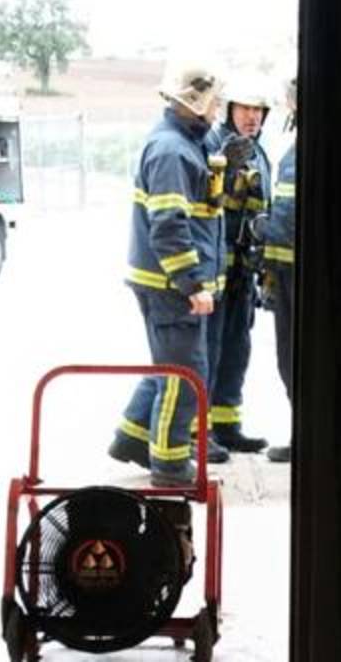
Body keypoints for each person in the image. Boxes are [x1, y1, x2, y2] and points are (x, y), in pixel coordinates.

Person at [107, 63, 234, 486]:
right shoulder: (172, 152)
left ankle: (132, 436)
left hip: (166, 283)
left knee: (169, 364)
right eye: (214, 103)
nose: (218, 111)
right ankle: (170, 464)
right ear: (195, 104)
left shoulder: (184, 144)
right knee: (186, 373)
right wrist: (192, 283)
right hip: (171, 286)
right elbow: (169, 225)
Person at [201, 78, 274, 454]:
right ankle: (202, 432)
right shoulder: (213, 146)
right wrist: (224, 169)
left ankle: (228, 426)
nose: (252, 117)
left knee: (236, 348)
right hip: (217, 269)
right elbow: (202, 203)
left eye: (259, 110)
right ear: (229, 109)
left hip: (245, 272)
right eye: (245, 108)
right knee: (208, 349)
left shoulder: (260, 153)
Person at [264, 78, 298, 463]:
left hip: (303, 278)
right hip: (284, 275)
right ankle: (302, 432)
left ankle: (308, 435)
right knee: (287, 359)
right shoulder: (295, 148)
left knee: (299, 360)